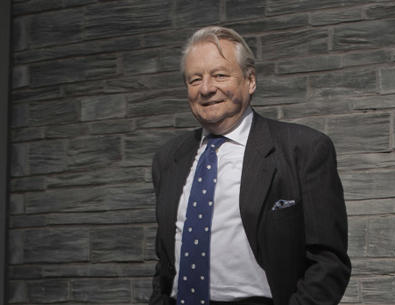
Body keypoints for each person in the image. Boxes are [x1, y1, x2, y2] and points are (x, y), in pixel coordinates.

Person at [150, 26, 351, 305]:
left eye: (220, 75)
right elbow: (165, 261)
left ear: (250, 80)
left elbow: (328, 262)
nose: (207, 88)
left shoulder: (304, 149)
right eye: (195, 79)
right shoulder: (167, 158)